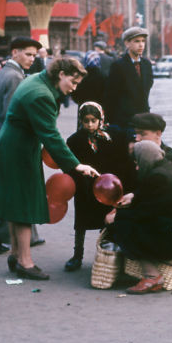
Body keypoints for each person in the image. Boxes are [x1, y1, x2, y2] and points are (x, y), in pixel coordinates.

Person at [0, 58, 99, 281]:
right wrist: (76, 165)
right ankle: (25, 263)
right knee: (25, 205)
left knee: (16, 203)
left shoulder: (38, 80)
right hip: (18, 150)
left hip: (13, 145)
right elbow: (51, 136)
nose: (74, 88)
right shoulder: (42, 95)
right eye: (73, 82)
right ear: (61, 74)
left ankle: (15, 254)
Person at [105, 141, 172, 294]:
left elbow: (144, 213)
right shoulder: (165, 168)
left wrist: (116, 218)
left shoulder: (158, 177)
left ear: (145, 159)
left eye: (138, 162)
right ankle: (149, 273)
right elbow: (153, 200)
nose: (137, 167)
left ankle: (152, 276)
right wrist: (134, 197)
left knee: (124, 225)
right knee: (128, 220)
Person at [0, 37, 43, 254]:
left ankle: (9, 235)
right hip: (12, 137)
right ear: (15, 52)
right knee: (15, 187)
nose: (32, 59)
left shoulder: (3, 72)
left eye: (34, 56)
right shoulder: (15, 76)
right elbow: (15, 114)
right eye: (28, 54)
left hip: (2, 132)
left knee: (6, 185)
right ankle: (4, 236)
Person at [64, 102, 134, 271]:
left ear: (100, 119)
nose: (89, 125)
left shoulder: (114, 135)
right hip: (84, 188)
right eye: (85, 121)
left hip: (109, 186)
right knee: (81, 222)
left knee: (108, 221)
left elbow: (124, 155)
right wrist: (80, 175)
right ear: (80, 120)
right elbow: (68, 163)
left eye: (93, 120)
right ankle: (77, 255)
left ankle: (107, 255)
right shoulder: (75, 140)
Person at [103, 27, 153, 133]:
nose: (141, 45)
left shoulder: (146, 64)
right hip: (124, 121)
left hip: (144, 118)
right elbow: (110, 96)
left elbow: (146, 90)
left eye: (143, 41)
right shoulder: (118, 66)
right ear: (127, 43)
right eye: (137, 41)